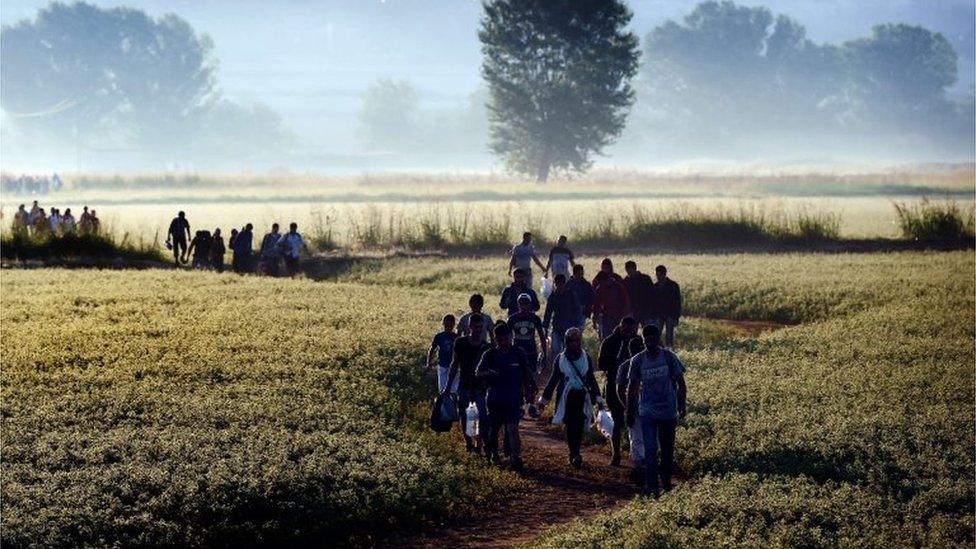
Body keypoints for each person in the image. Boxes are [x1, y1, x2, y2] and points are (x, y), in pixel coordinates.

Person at [625, 325, 687, 497]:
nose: (650, 343)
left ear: (659, 339)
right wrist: (630, 412)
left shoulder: (669, 357)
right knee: (650, 450)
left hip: (668, 411)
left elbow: (681, 384)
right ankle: (652, 486)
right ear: (643, 340)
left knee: (667, 450)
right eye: (647, 340)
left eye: (653, 339)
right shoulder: (637, 361)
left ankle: (666, 483)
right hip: (647, 412)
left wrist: (682, 405)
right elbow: (633, 389)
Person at [538, 327, 603, 468]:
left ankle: (576, 452)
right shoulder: (560, 359)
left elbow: (591, 379)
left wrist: (598, 399)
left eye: (577, 341)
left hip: (581, 397)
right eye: (571, 341)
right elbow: (553, 381)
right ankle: (573, 453)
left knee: (579, 426)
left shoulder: (586, 358)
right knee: (570, 425)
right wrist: (544, 401)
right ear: (567, 342)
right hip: (566, 399)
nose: (574, 343)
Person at [475, 323, 537, 469]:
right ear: (495, 339)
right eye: (500, 340)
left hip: (513, 398)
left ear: (511, 337)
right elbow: (478, 373)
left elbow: (527, 372)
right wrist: (489, 373)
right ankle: (494, 455)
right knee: (494, 429)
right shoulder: (489, 354)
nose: (503, 342)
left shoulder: (518, 352)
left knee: (513, 429)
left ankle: (515, 458)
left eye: (506, 339)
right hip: (494, 398)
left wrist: (530, 390)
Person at [599, 317, 643, 467]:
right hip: (613, 385)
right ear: (620, 326)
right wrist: (617, 364)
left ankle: (636, 457)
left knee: (636, 423)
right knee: (618, 421)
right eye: (625, 329)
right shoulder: (609, 341)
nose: (627, 332)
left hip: (635, 386)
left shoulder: (638, 341)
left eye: (631, 330)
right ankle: (616, 454)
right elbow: (601, 364)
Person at [448, 313, 492, 453]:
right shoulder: (460, 343)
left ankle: (478, 444)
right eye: (475, 327)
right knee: (465, 417)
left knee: (482, 418)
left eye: (480, 327)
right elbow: (454, 364)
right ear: (469, 326)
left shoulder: (486, 347)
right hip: (464, 385)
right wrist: (448, 386)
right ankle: (469, 444)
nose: (478, 330)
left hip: (480, 388)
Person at [508, 293, 548, 378]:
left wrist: (544, 353)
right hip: (516, 353)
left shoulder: (535, 319)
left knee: (532, 376)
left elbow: (542, 336)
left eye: (526, 304)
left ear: (530, 304)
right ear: (518, 304)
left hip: (531, 352)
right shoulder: (512, 319)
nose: (524, 306)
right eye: (521, 303)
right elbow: (507, 337)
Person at [543, 274, 581, 360]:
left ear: (564, 284)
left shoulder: (571, 295)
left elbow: (577, 310)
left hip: (570, 327)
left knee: (570, 350)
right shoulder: (552, 297)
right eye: (557, 284)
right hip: (557, 327)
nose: (559, 286)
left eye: (561, 284)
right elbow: (547, 314)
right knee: (556, 350)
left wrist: (577, 324)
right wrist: (545, 328)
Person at [592, 258, 630, 340]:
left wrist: (623, 318)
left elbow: (625, 303)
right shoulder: (600, 288)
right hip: (606, 317)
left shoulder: (618, 287)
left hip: (618, 317)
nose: (601, 285)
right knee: (606, 339)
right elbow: (597, 305)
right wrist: (594, 319)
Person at [428, 314, 459, 394]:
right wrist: (429, 363)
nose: (448, 327)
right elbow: (432, 349)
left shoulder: (457, 338)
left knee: (454, 390)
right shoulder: (439, 336)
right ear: (443, 324)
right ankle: (444, 405)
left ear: (453, 325)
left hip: (455, 366)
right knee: (442, 389)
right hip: (442, 365)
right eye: (446, 325)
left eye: (450, 325)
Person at [653, 265, 682, 348]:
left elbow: (677, 302)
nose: (658, 277)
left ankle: (669, 352)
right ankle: (660, 351)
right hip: (659, 315)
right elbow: (653, 303)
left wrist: (676, 317)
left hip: (670, 315)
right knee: (657, 336)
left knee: (669, 337)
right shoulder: (655, 287)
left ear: (664, 274)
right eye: (657, 275)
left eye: (659, 275)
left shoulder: (673, 286)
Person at [623, 261, 656, 327]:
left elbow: (652, 295)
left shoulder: (645, 279)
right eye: (627, 271)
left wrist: (651, 310)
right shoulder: (626, 281)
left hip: (645, 310)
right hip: (633, 311)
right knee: (632, 333)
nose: (629, 273)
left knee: (647, 332)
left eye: (629, 271)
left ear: (634, 268)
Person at [567, 264, 594, 330]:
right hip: (571, 312)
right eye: (579, 274)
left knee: (579, 330)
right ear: (574, 274)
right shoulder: (569, 285)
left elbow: (591, 297)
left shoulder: (586, 284)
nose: (581, 276)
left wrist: (588, 309)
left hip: (582, 311)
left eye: (582, 274)